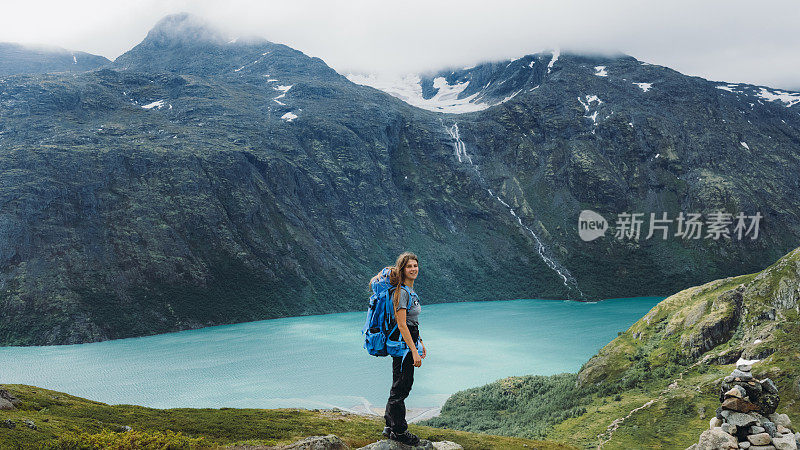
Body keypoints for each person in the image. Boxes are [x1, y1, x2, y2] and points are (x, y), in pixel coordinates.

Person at [380, 251, 426, 445]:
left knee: (399, 385)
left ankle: (389, 426)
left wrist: (420, 341)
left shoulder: (410, 291)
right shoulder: (402, 293)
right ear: (402, 269)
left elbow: (411, 321)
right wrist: (413, 350)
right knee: (401, 388)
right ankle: (399, 431)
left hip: (409, 342)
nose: (413, 269)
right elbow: (401, 324)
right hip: (403, 346)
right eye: (409, 266)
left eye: (415, 265)